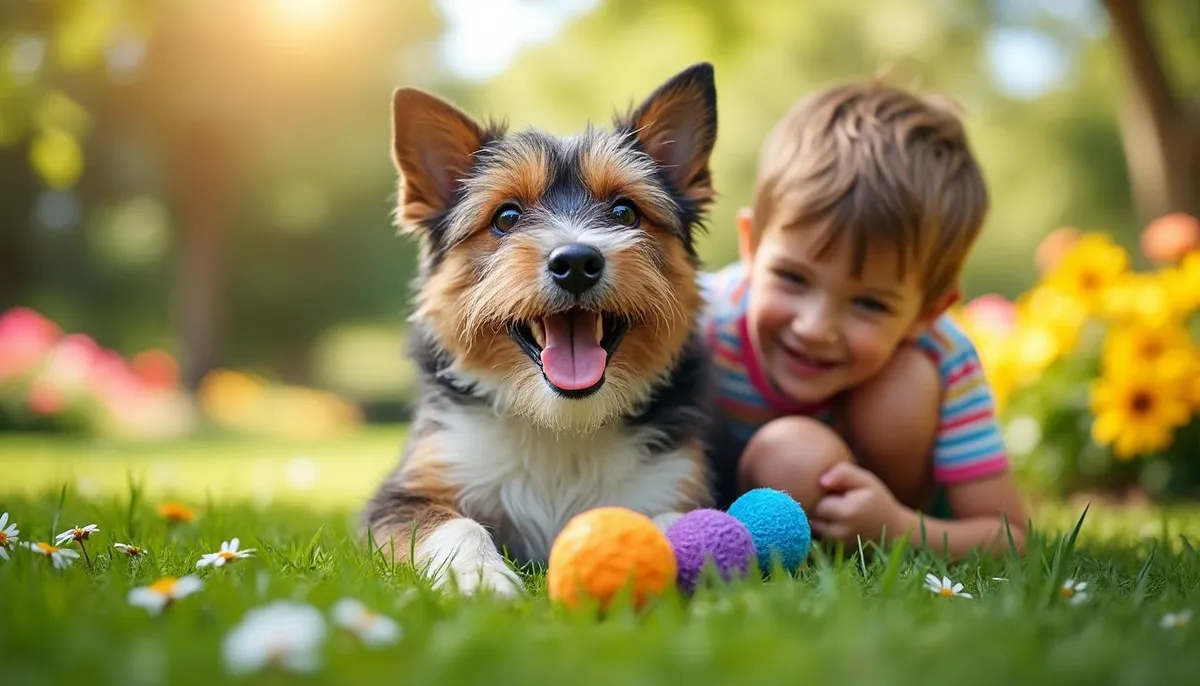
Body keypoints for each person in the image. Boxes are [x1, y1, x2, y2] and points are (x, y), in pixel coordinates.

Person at [700, 80, 1027, 558]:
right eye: (793, 278)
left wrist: (897, 528)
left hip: (893, 502)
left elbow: (1012, 538)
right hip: (731, 482)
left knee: (883, 399)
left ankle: (863, 531)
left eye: (869, 304)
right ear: (751, 244)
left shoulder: (943, 356)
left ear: (928, 311)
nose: (814, 327)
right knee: (792, 456)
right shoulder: (703, 316)